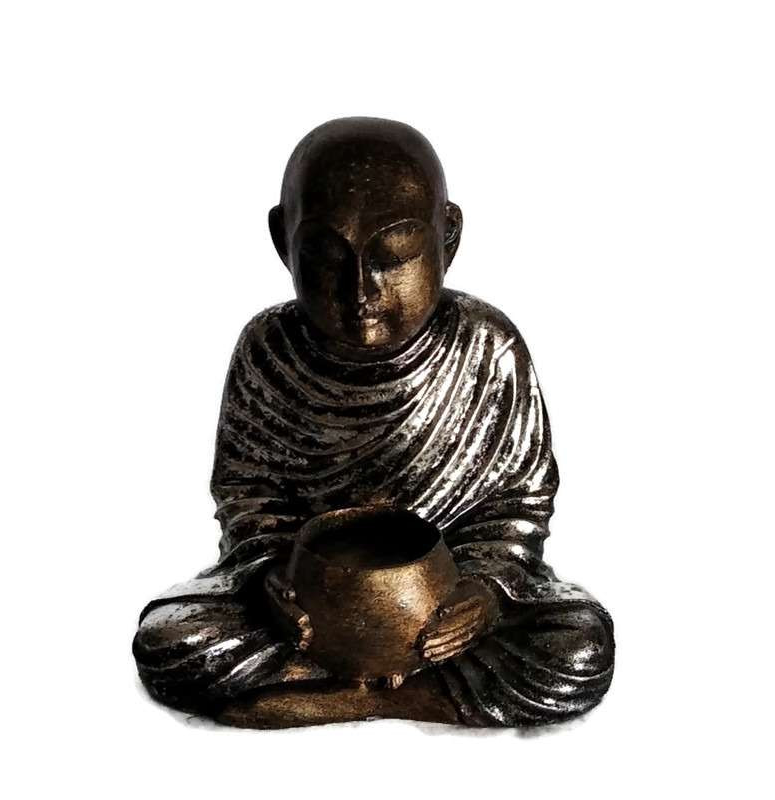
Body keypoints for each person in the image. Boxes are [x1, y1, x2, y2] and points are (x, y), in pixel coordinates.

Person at [133, 117, 614, 727]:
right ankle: (412, 694)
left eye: (394, 255)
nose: (361, 290)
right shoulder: (269, 350)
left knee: (579, 647)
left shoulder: (487, 347)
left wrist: (486, 595)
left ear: (448, 239)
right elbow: (247, 492)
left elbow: (517, 501)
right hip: (313, 604)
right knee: (171, 641)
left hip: (441, 607)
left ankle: (349, 697)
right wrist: (271, 580)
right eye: (325, 257)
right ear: (283, 242)